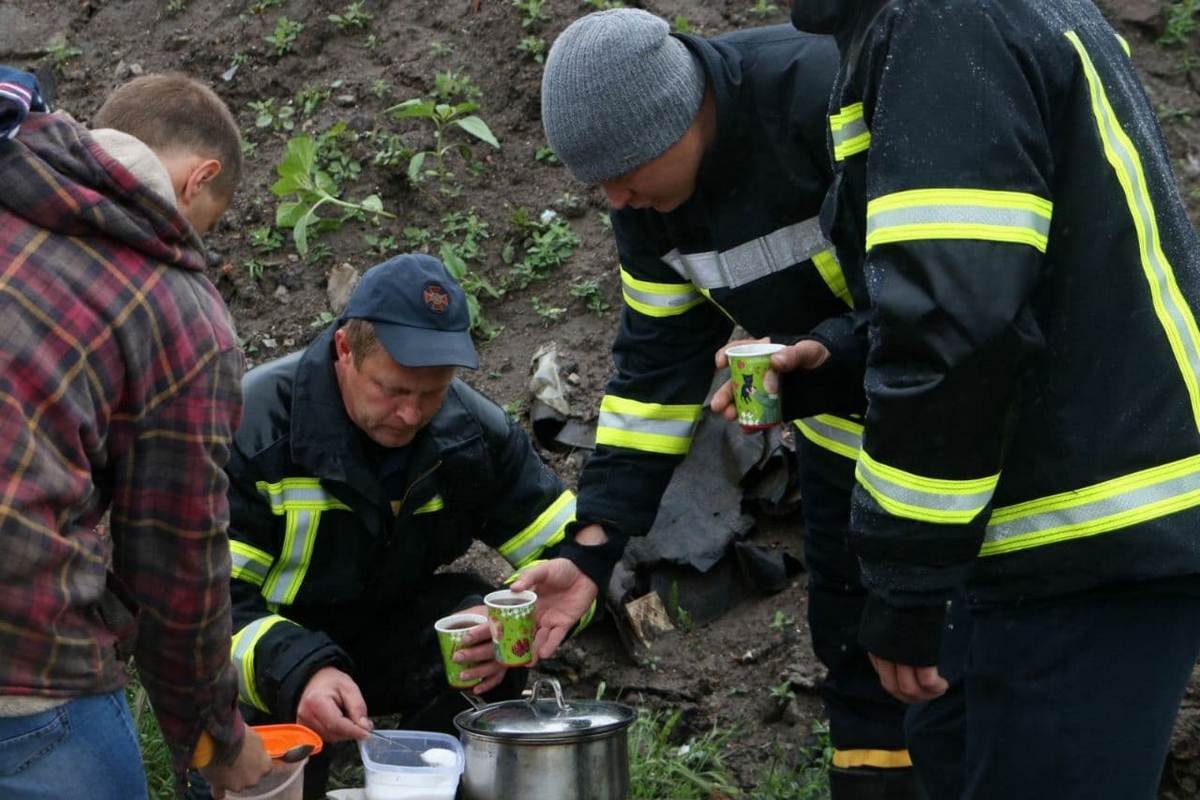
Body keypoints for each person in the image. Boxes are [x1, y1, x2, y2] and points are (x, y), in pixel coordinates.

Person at [780, 1, 1200, 797]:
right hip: (1064, 532)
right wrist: (840, 358)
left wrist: (904, 579)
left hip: (1082, 542)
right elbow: (998, 288)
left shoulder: (942, 21)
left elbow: (957, 326)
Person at [516, 10, 920, 798]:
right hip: (847, 448)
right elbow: (654, 372)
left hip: (964, 442)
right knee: (862, 657)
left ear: (680, 115)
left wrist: (832, 352)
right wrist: (592, 549)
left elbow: (942, 298)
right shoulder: (647, 201)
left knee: (965, 651)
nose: (615, 199)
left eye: (625, 171)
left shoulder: (823, 93)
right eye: (596, 181)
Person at [211, 253, 582, 800]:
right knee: (265, 777)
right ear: (345, 351)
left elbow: (574, 551)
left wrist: (513, 619)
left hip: (383, 628)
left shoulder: (469, 433)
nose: (411, 414)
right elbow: (205, 609)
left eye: (430, 394)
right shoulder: (253, 429)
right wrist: (298, 672)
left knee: (475, 626)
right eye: (392, 390)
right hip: (266, 650)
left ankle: (431, 786)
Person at [0, 70, 271, 799]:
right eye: (205, 224)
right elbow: (175, 564)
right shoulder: (175, 306)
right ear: (198, 180)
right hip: (22, 663)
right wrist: (215, 739)